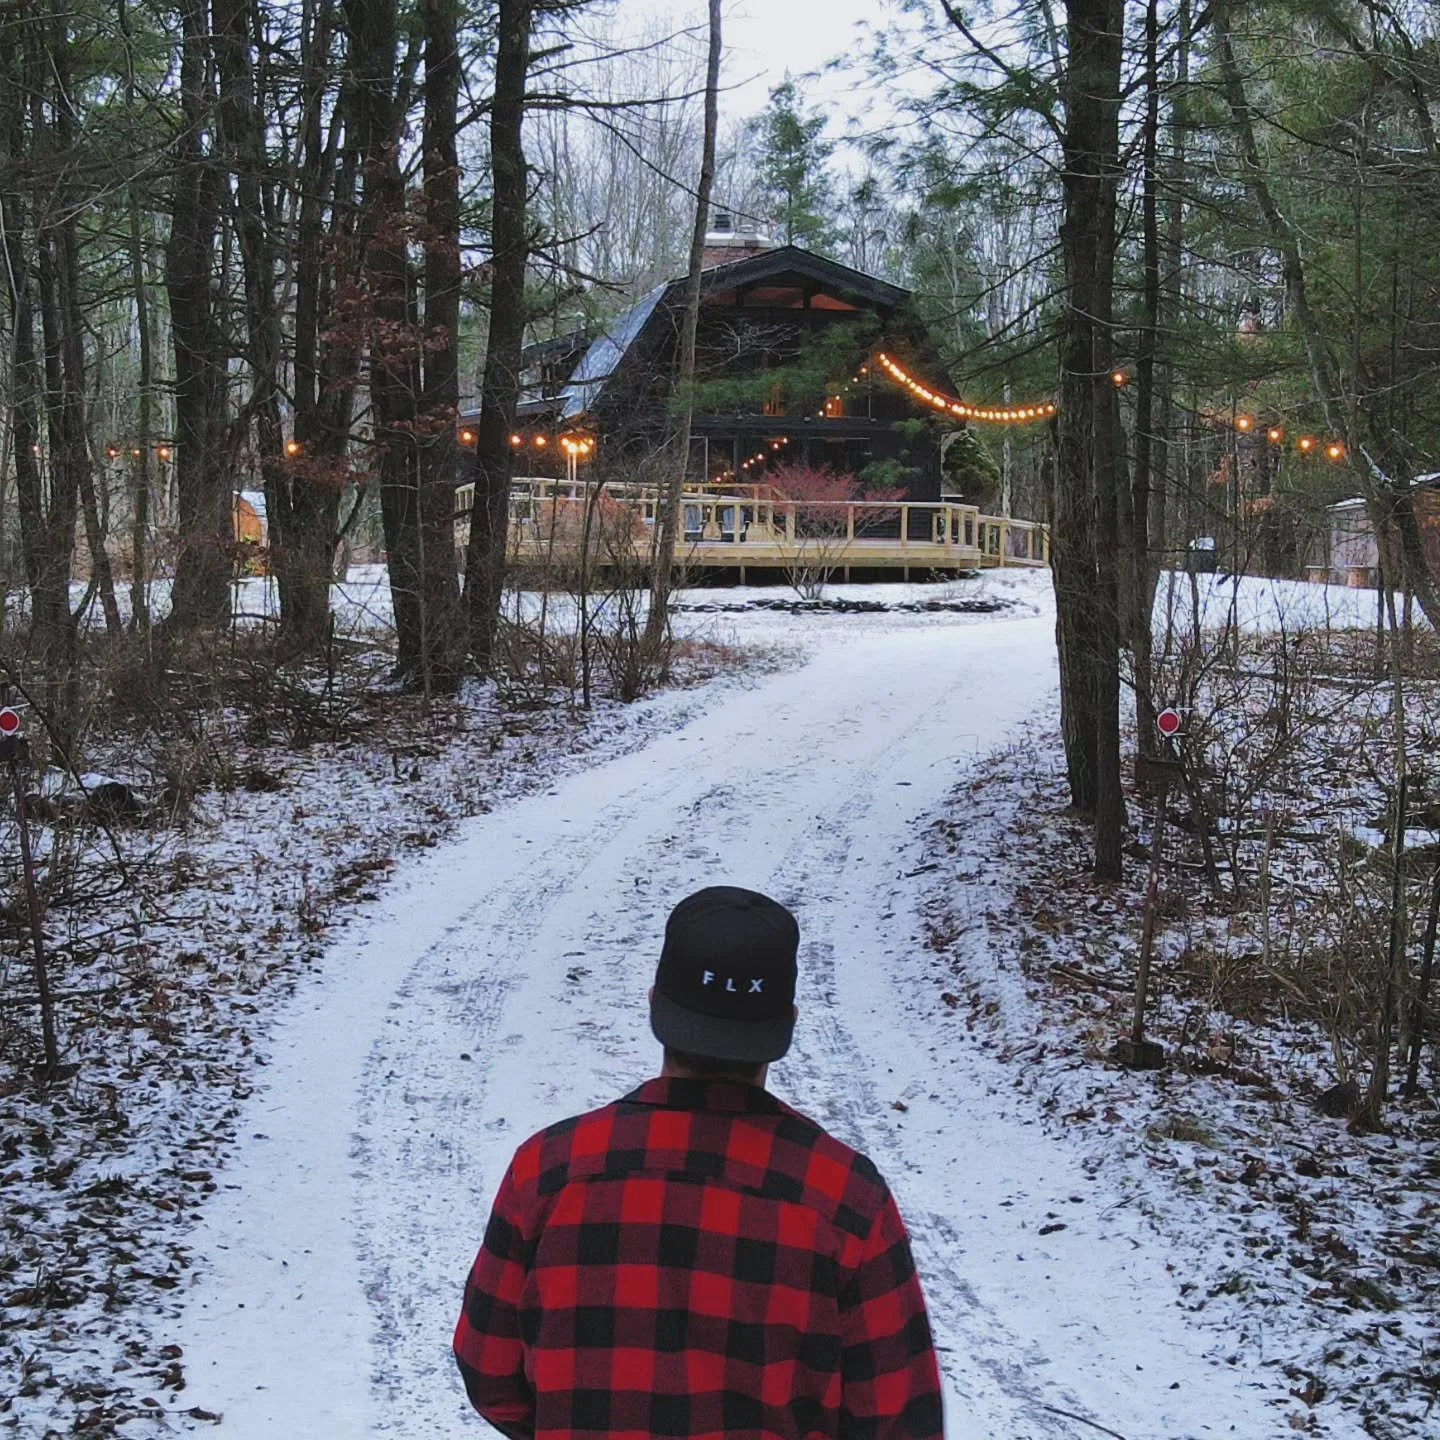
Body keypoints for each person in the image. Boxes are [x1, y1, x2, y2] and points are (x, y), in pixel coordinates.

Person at [453, 885, 944, 1439]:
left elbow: (489, 1372)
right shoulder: (844, 1197)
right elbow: (901, 1418)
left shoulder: (548, 1171)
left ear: (654, 1000)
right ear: (787, 1021)